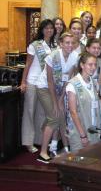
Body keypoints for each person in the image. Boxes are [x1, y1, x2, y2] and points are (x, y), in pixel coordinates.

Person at [36, 32, 79, 163]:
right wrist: (55, 103)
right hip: (44, 87)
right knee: (54, 116)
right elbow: (50, 81)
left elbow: (69, 78)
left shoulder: (75, 56)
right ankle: (42, 153)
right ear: (61, 44)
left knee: (55, 115)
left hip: (60, 89)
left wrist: (60, 99)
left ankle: (46, 135)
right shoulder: (52, 57)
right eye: (67, 42)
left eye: (72, 43)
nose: (70, 45)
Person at [20, 19, 56, 154]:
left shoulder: (54, 46)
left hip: (45, 84)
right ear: (42, 30)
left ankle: (39, 140)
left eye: (51, 28)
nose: (49, 30)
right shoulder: (35, 45)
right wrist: (23, 82)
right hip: (32, 81)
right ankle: (28, 142)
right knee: (30, 111)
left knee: (42, 113)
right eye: (46, 28)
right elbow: (28, 64)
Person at [66, 52, 101, 152]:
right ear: (82, 65)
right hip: (80, 133)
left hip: (93, 130)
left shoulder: (94, 82)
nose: (93, 67)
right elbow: (73, 112)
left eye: (95, 65)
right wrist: (82, 135)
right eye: (90, 64)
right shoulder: (73, 84)